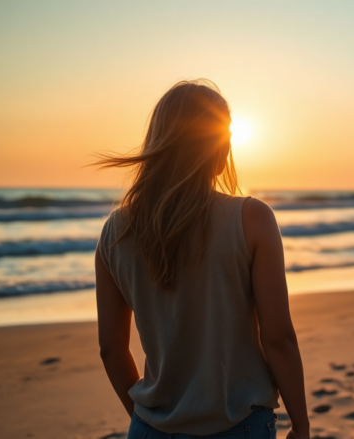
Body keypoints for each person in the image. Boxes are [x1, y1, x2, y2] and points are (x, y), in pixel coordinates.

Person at [94, 80, 309, 439]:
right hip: (238, 425)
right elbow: (278, 337)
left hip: (149, 428)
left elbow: (111, 350)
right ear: (220, 146)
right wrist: (300, 424)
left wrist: (148, 419)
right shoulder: (251, 218)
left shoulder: (115, 232)